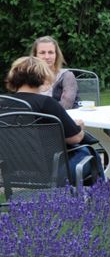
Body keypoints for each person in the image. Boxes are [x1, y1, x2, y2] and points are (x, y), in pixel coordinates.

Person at [4, 56, 101, 184]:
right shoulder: (46, 103)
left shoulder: (3, 104)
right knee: (88, 152)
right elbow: (75, 138)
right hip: (51, 173)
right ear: (42, 77)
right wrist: (80, 127)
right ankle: (101, 199)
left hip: (13, 172)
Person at [31, 36, 79, 109]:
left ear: (56, 55)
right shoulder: (28, 76)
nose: (47, 57)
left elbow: (66, 106)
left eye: (51, 52)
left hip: (60, 119)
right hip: (33, 119)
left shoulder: (67, 76)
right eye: (42, 53)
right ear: (35, 55)